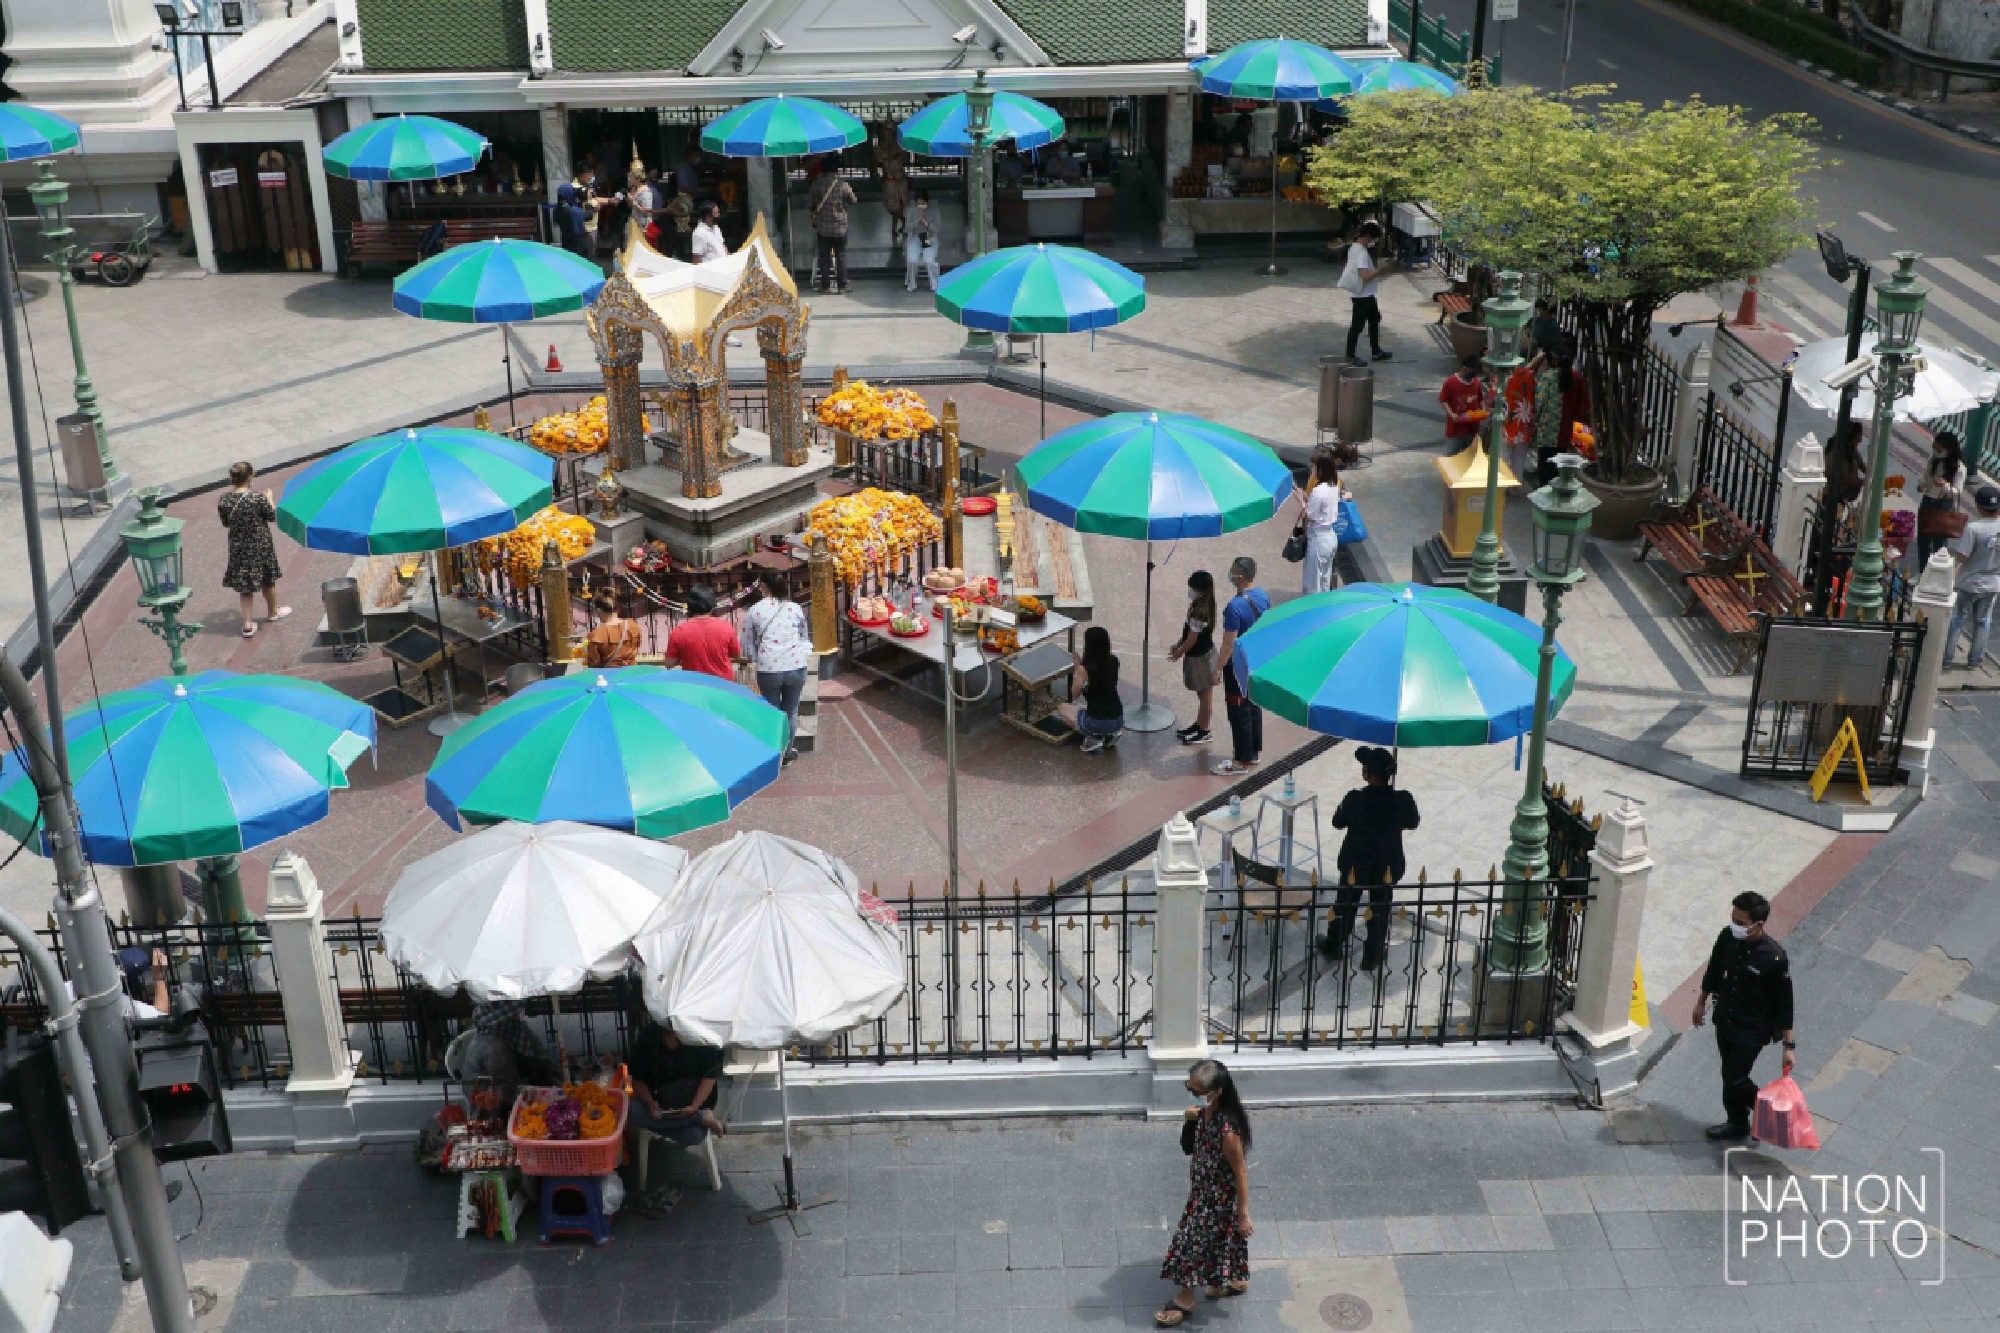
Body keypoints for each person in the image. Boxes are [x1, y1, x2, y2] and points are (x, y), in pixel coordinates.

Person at [1155, 1059, 1253, 1327]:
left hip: (1217, 1201)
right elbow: (1188, 1147)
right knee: (1220, 1242)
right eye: (1190, 1088)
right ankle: (1234, 1281)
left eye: (1197, 1091)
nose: (1193, 1095)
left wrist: (1243, 1214)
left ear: (1217, 1092)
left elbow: (1240, 1172)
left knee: (1189, 1244)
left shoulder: (1227, 1131)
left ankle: (1186, 1298)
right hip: (1200, 1193)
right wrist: (1189, 1122)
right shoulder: (1203, 1114)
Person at [1692, 891, 1795, 1141]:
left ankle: (1768, 1114)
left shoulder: (1774, 957)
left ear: (1759, 924)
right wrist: (1701, 1001)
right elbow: (1714, 969)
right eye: (1733, 920)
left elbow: (1785, 1003)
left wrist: (1789, 1046)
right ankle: (1737, 1122)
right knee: (1730, 1074)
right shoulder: (1727, 937)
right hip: (1725, 1019)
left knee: (1734, 1076)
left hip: (1753, 1029)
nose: (1735, 926)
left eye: (1741, 923)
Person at [1319, 746, 1420, 969]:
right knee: (1380, 910)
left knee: (1344, 906)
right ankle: (1372, 955)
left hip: (1355, 865)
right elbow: (1413, 821)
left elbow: (1337, 822)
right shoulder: (1402, 799)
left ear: (1367, 774)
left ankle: (1335, 944)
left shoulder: (1354, 798)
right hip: (1386, 866)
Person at [742, 570, 811, 764]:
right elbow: (804, 636)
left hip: (769, 669)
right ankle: (787, 752)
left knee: (772, 712)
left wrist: (756, 657)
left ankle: (774, 753)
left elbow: (747, 643)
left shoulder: (755, 610)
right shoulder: (795, 608)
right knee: (791, 711)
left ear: (763, 586)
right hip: (796, 666)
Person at [1211, 557, 1269, 778]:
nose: (1230, 574)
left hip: (1237, 666)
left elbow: (1228, 643)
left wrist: (1218, 668)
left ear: (1240, 577)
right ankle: (1253, 752)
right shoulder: (1262, 596)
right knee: (1253, 705)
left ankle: (1241, 759)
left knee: (1238, 711)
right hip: (1256, 661)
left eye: (1232, 571)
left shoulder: (1234, 607)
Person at [219, 461, 289, 638]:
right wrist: (270, 499)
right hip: (260, 545)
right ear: (249, 477)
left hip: (239, 548)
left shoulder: (224, 500)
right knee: (268, 580)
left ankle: (248, 625)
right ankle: (273, 611)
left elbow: (226, 523)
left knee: (245, 587)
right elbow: (273, 516)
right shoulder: (257, 498)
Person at [1944, 485, 2000, 670]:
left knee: (1957, 619)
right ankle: (1975, 660)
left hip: (1969, 582)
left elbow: (1962, 557)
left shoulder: (1974, 528)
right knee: (1983, 621)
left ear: (1978, 506)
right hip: (1992, 582)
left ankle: (1946, 658)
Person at [1169, 570, 1218, 747]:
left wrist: (1179, 652)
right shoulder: (1204, 604)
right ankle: (1199, 725)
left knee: (1205, 697)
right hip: (1200, 655)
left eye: (1193, 588)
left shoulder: (1200, 612)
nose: (1190, 591)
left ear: (1201, 590)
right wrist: (1179, 644)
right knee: (1202, 694)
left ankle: (1204, 731)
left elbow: (1192, 639)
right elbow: (1188, 633)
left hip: (1202, 658)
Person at [1058, 625, 1124, 754]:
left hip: (1096, 721)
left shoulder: (1084, 669)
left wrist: (1078, 669)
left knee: (1062, 709)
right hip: (1118, 718)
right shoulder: (1114, 661)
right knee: (1084, 709)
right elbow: (1102, 678)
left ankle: (1094, 737)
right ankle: (1110, 735)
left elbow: (1075, 694)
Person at [1340, 220, 1393, 368]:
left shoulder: (1354, 247)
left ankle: (1376, 351)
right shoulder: (1362, 253)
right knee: (1357, 326)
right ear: (1368, 236)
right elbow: (1365, 276)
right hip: (1363, 296)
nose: (1372, 242)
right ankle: (1350, 355)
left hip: (1366, 295)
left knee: (1375, 319)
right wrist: (1380, 271)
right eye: (1372, 239)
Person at [1533, 345, 1589, 485]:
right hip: (1564, 430)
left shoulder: (1548, 377)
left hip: (1546, 430)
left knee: (1545, 464)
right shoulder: (1577, 378)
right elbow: (1583, 406)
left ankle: (1544, 489)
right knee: (1558, 464)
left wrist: (1535, 421)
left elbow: (1539, 403)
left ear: (1554, 359)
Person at [664, 585, 741, 681]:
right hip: (723, 684)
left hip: (695, 685)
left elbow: (669, 663)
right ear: (712, 605)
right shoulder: (726, 628)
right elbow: (736, 655)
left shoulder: (679, 632)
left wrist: (682, 658)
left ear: (689, 605)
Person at [1916, 430, 1968, 569]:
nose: (1936, 451)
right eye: (1935, 448)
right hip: (1928, 499)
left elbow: (1957, 492)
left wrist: (1945, 486)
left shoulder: (1959, 468)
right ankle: (1923, 570)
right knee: (1923, 539)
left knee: (1939, 541)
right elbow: (1927, 478)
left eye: (1939, 449)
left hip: (1944, 504)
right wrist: (1922, 485)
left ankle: (1937, 572)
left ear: (1949, 450)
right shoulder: (1933, 460)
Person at [808, 156, 857, 294]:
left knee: (824, 257)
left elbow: (810, 203)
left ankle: (825, 286)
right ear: (837, 170)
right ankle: (842, 286)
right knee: (840, 255)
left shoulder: (816, 184)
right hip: (840, 227)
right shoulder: (843, 185)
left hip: (822, 227)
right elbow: (853, 200)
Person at [1298, 452, 1342, 594]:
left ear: (1321, 468)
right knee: (1324, 579)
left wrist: (1301, 500)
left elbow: (1309, 515)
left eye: (1314, 466)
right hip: (1330, 537)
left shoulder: (1319, 490)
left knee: (1313, 583)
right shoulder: (1334, 486)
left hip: (1318, 539)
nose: (1312, 469)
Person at [1503, 349, 1545, 478]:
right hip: (1525, 423)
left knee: (1504, 457)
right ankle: (1516, 484)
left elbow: (1492, 400)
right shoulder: (1531, 378)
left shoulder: (1503, 378)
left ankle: (1503, 484)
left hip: (1506, 423)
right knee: (1520, 458)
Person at [1438, 355, 1491, 451]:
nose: (1474, 374)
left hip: (1473, 428)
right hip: (1456, 429)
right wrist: (1452, 414)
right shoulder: (1451, 382)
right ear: (1464, 368)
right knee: (1453, 455)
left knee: (1470, 455)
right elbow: (1443, 400)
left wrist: (1483, 410)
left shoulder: (1476, 382)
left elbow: (1480, 399)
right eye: (1472, 371)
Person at [583, 590, 642, 668]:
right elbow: (637, 646)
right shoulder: (633, 626)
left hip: (609, 673)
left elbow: (594, 663)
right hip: (631, 671)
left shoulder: (597, 634)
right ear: (617, 609)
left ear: (599, 610)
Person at [904, 190, 940, 293]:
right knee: (912, 260)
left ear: (927, 202)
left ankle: (934, 284)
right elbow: (906, 228)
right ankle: (912, 284)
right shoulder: (912, 211)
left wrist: (925, 222)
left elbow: (937, 229)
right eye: (919, 204)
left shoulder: (934, 211)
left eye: (923, 204)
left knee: (928, 260)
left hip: (929, 237)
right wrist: (917, 221)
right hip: (915, 237)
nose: (921, 206)